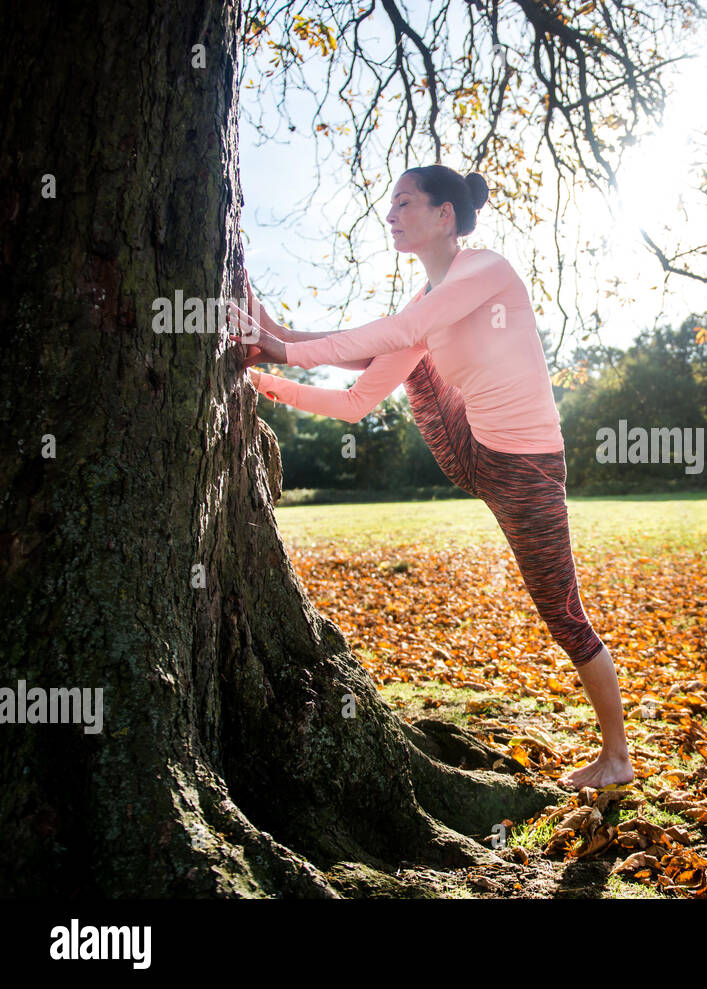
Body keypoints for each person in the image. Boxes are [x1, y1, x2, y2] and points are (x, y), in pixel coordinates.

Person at [227, 164, 633, 790]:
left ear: (445, 215)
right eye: (390, 205)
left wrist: (285, 349)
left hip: (524, 466)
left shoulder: (486, 270)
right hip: (470, 450)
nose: (390, 215)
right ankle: (271, 331)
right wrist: (269, 375)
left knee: (562, 613)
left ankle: (617, 758)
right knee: (404, 359)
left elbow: (403, 332)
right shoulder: (426, 305)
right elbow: (360, 394)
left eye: (404, 203)